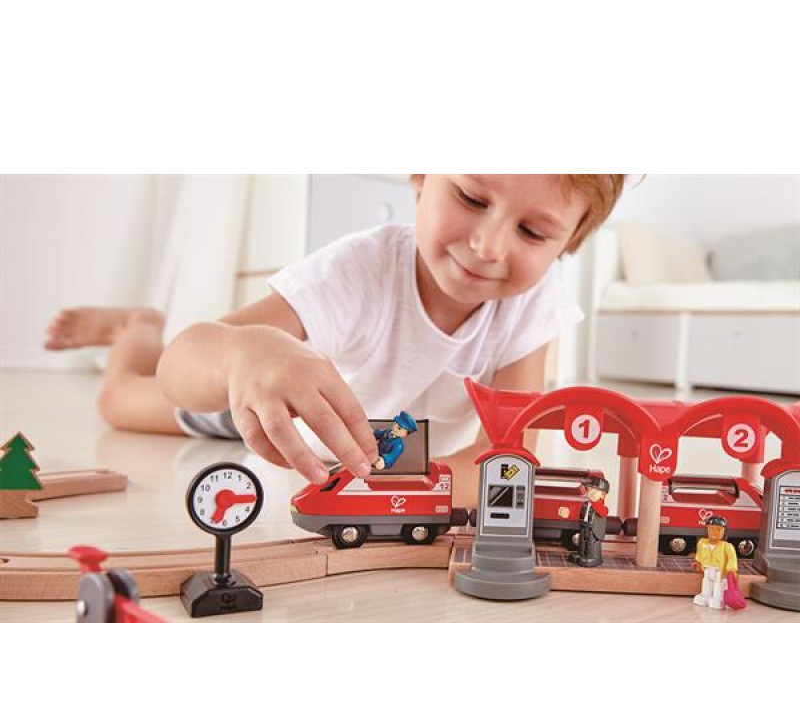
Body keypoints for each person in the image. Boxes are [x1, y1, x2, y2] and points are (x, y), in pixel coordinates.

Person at [44, 175, 627, 506]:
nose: (489, 246)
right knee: (119, 400)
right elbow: (185, 364)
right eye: (472, 199)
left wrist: (408, 492)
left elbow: (508, 455)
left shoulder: (534, 302)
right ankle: (136, 328)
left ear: (569, 242)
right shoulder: (361, 269)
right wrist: (244, 354)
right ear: (421, 175)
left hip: (371, 457)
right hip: (269, 412)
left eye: (533, 232)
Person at [692, 515, 738, 609]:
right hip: (707, 569)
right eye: (711, 529)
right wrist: (697, 563)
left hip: (719, 571)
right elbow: (699, 555)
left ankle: (718, 599)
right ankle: (705, 596)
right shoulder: (702, 543)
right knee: (706, 582)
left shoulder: (727, 546)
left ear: (724, 531)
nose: (714, 532)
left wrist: (731, 569)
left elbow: (732, 559)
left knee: (718, 585)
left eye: (718, 530)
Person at [569, 476, 610, 567]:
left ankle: (593, 557)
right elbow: (577, 511)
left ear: (603, 495)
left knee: (591, 544)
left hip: (593, 530)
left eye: (594, 491)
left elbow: (603, 512)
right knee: (582, 542)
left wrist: (595, 502)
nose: (590, 493)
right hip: (584, 527)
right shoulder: (586, 504)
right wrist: (568, 512)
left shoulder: (599, 506)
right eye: (589, 490)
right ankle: (581, 554)